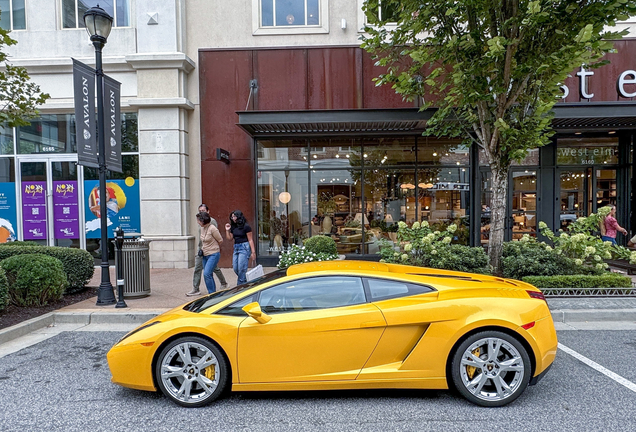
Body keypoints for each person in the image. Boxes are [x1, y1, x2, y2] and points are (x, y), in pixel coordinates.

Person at [187, 203, 228, 296]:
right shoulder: (201, 225)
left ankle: (222, 284)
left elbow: (219, 239)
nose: (201, 213)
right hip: (202, 250)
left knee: (210, 271)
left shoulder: (211, 223)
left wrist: (213, 247)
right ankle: (196, 288)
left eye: (203, 211)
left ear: (208, 211)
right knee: (199, 268)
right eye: (200, 211)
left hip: (212, 252)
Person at [224, 210, 256, 286]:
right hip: (236, 247)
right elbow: (229, 238)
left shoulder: (246, 226)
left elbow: (250, 239)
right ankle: (244, 282)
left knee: (241, 268)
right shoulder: (233, 226)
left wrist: (253, 252)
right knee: (235, 268)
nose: (233, 218)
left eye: (234, 216)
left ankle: (240, 286)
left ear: (239, 217)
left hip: (244, 247)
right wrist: (227, 230)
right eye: (232, 217)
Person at [196, 212, 223, 294]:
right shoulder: (202, 228)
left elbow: (220, 240)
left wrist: (214, 247)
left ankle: (212, 293)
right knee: (208, 274)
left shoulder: (212, 228)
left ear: (203, 221)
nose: (198, 222)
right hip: (205, 254)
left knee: (207, 273)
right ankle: (211, 292)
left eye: (199, 220)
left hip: (213, 254)